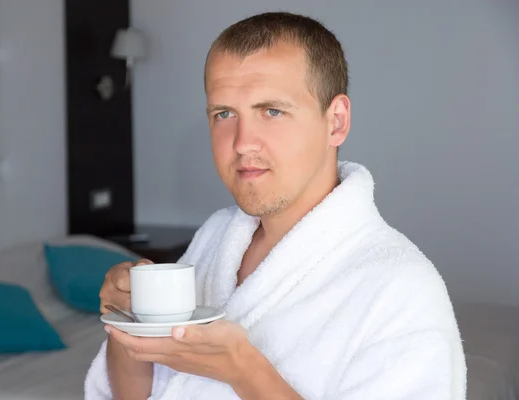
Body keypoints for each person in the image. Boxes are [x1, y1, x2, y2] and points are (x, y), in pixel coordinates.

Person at [84, 11, 467, 400]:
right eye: (224, 114)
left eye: (272, 111)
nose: (242, 142)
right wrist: (128, 325)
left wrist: (244, 371)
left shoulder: (401, 290)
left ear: (336, 121)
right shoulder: (216, 237)